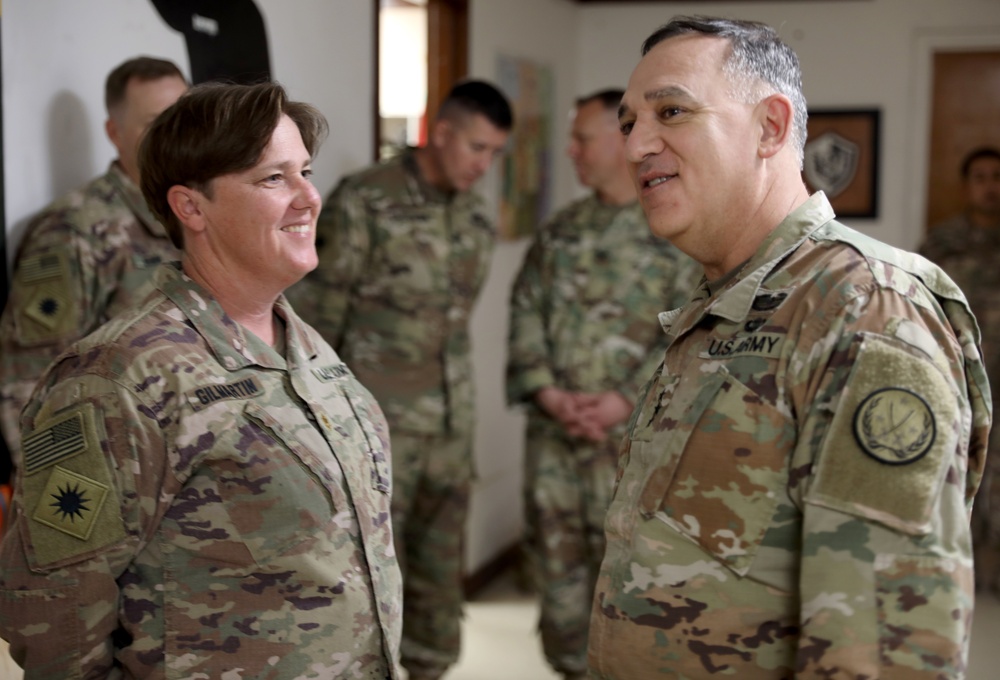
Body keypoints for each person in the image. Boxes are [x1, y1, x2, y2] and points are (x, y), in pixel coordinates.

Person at [587, 16, 990, 678]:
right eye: (629, 122)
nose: (635, 146)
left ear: (770, 129)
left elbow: (885, 648)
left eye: (671, 111)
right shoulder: (726, 304)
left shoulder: (865, 309)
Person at [0, 81, 402, 678]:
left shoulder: (311, 351)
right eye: (274, 179)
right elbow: (52, 619)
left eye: (305, 172)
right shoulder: (118, 380)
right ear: (191, 207)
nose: (308, 198)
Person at [288, 79, 512, 680]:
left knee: (441, 576)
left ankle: (434, 668)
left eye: (495, 153)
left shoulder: (473, 214)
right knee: (372, 574)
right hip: (379, 426)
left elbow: (456, 318)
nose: (483, 165)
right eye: (476, 147)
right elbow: (320, 322)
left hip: (449, 423)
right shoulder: (365, 200)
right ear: (440, 134)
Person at [505, 88, 699, 680]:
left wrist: (624, 400)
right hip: (557, 446)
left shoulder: (676, 231)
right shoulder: (560, 231)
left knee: (642, 592)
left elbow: (693, 329)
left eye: (581, 138)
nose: (570, 151)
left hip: (637, 449)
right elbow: (525, 313)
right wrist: (547, 392)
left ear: (620, 144)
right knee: (560, 589)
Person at [0, 56, 188, 465]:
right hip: (119, 465)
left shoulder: (196, 212)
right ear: (114, 132)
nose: (171, 137)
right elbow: (30, 382)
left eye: (181, 119)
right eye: (154, 123)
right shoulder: (73, 231)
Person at [920, 146, 1000, 592]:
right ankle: (958, 573)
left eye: (997, 177)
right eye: (981, 177)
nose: (990, 186)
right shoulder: (942, 243)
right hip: (961, 380)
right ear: (968, 186)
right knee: (959, 470)